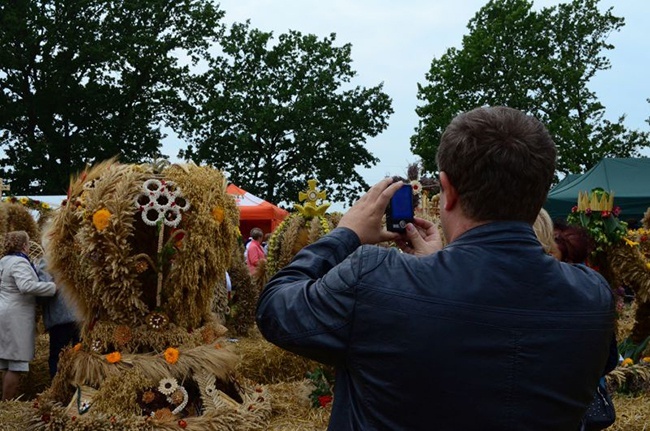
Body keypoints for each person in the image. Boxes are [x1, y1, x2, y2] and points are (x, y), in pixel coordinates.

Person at [256, 106, 615, 430]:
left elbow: (276, 309)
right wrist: (434, 269)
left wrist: (345, 234)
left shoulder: (373, 278)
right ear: (540, 194)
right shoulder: (592, 297)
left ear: (447, 190)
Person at [0, 231, 57, 400]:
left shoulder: (3, 261)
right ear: (24, 245)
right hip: (16, 317)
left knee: (8, 361)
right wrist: (53, 287)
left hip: (6, 312)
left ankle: (4, 402)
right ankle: (6, 404)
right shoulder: (19, 262)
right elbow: (26, 286)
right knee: (17, 363)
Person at [36, 258, 80, 379]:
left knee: (58, 357)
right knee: (81, 356)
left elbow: (44, 293)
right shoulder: (76, 257)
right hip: (81, 316)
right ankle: (80, 390)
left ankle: (59, 390)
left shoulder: (46, 262)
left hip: (60, 317)